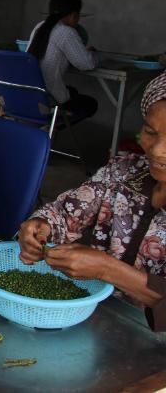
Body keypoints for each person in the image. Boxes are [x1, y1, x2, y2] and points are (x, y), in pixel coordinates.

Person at [18, 72, 166, 331]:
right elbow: (65, 212)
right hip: (91, 315)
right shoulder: (123, 172)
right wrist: (41, 225)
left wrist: (107, 269)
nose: (156, 150)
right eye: (151, 132)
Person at [27, 0, 98, 121]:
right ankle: (51, 128)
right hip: (47, 101)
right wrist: (92, 53)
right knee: (91, 103)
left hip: (29, 95)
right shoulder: (66, 32)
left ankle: (49, 129)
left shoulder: (39, 26)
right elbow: (87, 64)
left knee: (73, 92)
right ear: (73, 15)